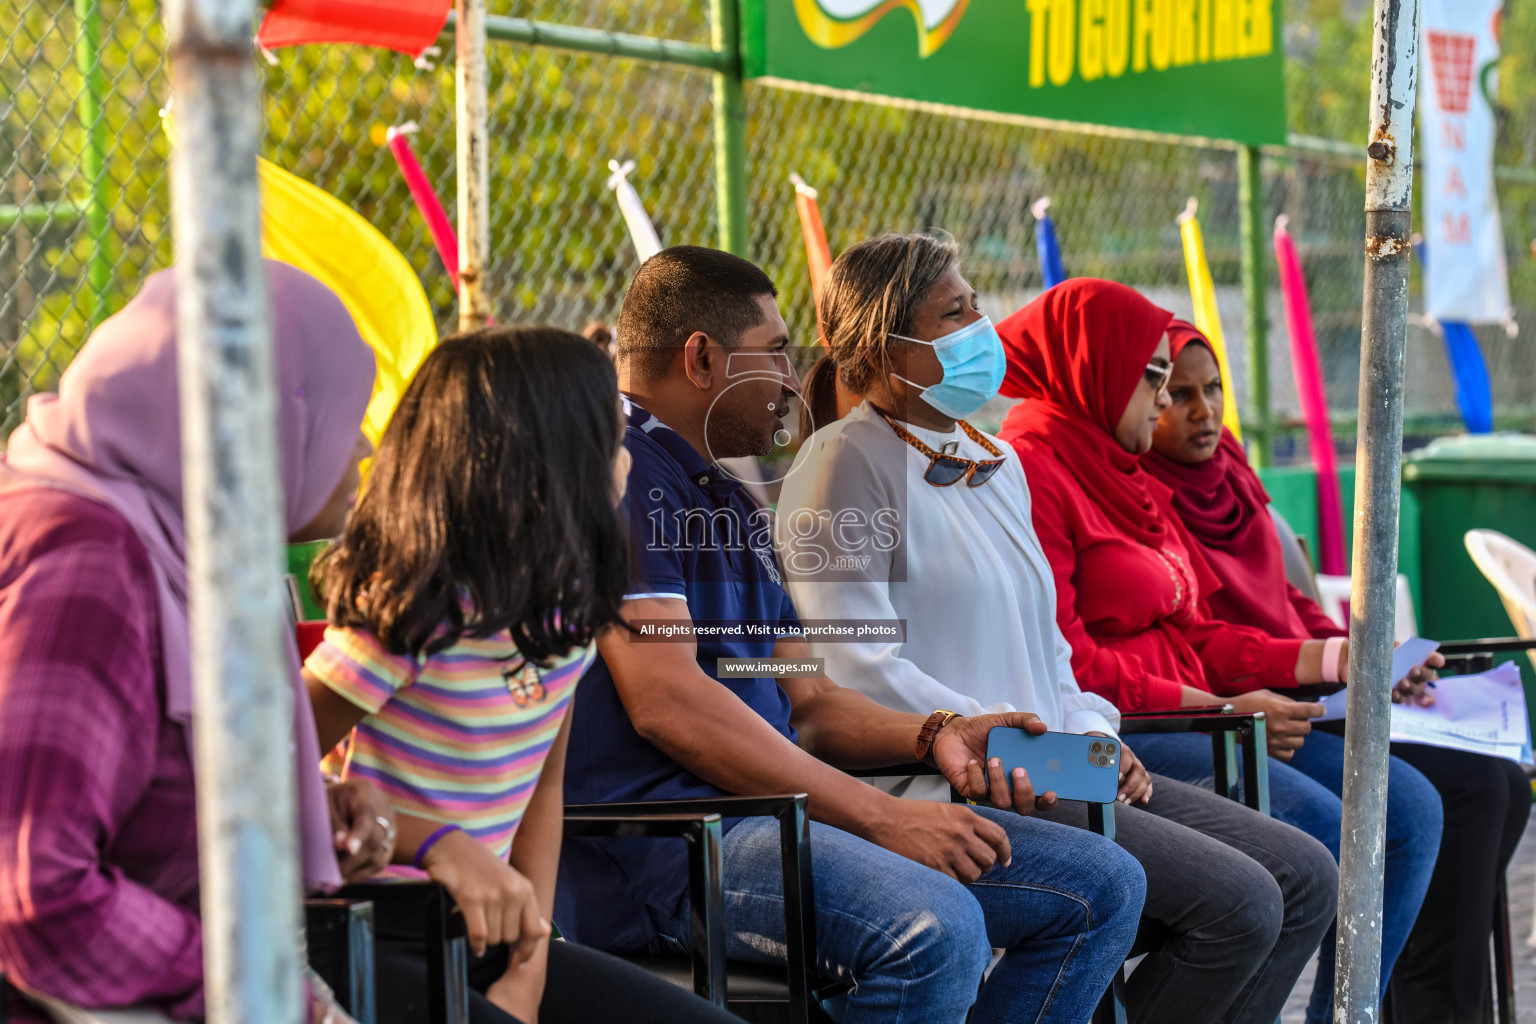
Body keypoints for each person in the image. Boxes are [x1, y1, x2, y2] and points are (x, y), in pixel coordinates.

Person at [556, 245, 1146, 1024]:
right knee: (934, 930)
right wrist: (881, 815)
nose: (791, 375)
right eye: (773, 351)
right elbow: (669, 702)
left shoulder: (722, 490)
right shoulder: (626, 474)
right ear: (701, 358)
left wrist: (940, 730)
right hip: (675, 846)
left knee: (1103, 885)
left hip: (774, 814)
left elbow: (813, 700)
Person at [779, 232, 1336, 1024]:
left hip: (1053, 761)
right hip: (961, 774)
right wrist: (1035, 746)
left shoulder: (993, 463)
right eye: (955, 312)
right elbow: (858, 671)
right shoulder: (844, 464)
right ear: (888, 344)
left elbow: (1051, 648)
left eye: (976, 303)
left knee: (1304, 874)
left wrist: (1091, 738)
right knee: (1240, 902)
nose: (982, 323)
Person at [994, 278, 1444, 1024]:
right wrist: (1227, 710)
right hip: (1092, 738)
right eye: (1158, 381)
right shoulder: (1030, 468)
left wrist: (1345, 662)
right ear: (1095, 366)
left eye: (1199, 387)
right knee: (1300, 870)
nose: (1176, 403)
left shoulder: (1116, 462)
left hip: (1180, 721)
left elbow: (1198, 633)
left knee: (1417, 807)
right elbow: (1068, 667)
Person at [302, 326, 741, 1024]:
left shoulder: (563, 613)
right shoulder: (414, 612)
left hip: (495, 930)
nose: (628, 457)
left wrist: (531, 959)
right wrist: (432, 844)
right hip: (368, 931)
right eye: (612, 436)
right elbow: (275, 766)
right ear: (551, 460)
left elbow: (545, 788)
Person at [0, 263, 395, 1023]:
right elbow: (32, 888)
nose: (367, 444)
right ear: (264, 416)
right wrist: (257, 987)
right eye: (348, 412)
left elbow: (135, 779)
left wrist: (304, 805)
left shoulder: (185, 549)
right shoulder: (88, 559)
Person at [1144, 319, 1532, 1024]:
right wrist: (1331, 661)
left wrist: (1368, 661)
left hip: (1321, 690)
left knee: (1502, 781)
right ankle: (1425, 1008)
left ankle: (1435, 1000)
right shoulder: (1143, 493)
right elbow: (1203, 642)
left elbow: (1293, 603)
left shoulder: (1228, 469)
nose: (1204, 411)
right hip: (1262, 709)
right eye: (1176, 394)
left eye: (1215, 388)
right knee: (1456, 792)